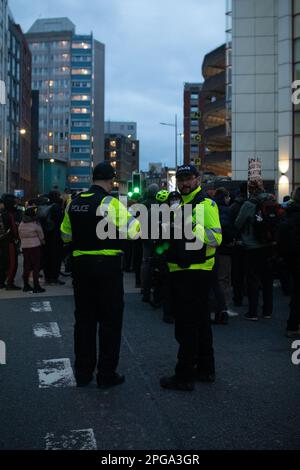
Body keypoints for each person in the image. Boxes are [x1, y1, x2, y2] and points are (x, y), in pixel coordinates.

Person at [60, 162, 140, 388]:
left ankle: (83, 373)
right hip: (106, 267)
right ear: (111, 180)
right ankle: (106, 374)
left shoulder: (73, 204)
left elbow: (65, 235)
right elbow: (134, 232)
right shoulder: (110, 203)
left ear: (92, 178)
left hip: (80, 265)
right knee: (110, 321)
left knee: (84, 320)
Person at [160, 164, 222, 391]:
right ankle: (206, 370)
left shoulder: (205, 204)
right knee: (201, 323)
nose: (184, 183)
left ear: (198, 179)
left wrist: (186, 223)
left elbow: (215, 239)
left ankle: (184, 376)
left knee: (186, 325)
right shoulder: (178, 204)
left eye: (188, 178)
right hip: (181, 269)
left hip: (195, 270)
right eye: (181, 179)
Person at [235, 178, 274, 321]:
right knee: (267, 279)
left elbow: (238, 223)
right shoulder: (271, 201)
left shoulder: (248, 204)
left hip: (252, 246)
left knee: (253, 279)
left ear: (250, 190)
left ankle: (253, 312)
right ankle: (267, 311)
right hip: (269, 245)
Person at [278, 187, 300, 337]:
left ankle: (292, 325)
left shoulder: (288, 214)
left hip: (292, 259)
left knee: (297, 293)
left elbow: (281, 238)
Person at [18, 206, 45, 293]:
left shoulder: (21, 224)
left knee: (27, 266)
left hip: (25, 247)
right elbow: (41, 235)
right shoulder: (35, 223)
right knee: (36, 266)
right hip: (35, 246)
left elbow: (19, 235)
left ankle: (26, 285)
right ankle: (36, 286)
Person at [0, 197, 10, 289]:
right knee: (2, 263)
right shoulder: (2, 214)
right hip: (2, 242)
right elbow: (2, 230)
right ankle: (1, 282)